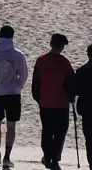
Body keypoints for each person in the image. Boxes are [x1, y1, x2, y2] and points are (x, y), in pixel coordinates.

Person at [0, 25, 29, 168]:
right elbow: (24, 75)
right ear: (12, 37)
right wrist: (17, 86)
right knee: (11, 125)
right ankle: (7, 157)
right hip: (13, 93)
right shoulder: (18, 55)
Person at [32, 33, 76, 170]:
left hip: (45, 103)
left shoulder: (41, 60)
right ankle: (55, 159)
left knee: (47, 131)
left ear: (51, 44)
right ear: (62, 46)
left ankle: (47, 156)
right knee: (60, 133)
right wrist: (72, 98)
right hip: (61, 104)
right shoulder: (65, 62)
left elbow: (36, 83)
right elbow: (71, 83)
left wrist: (38, 98)